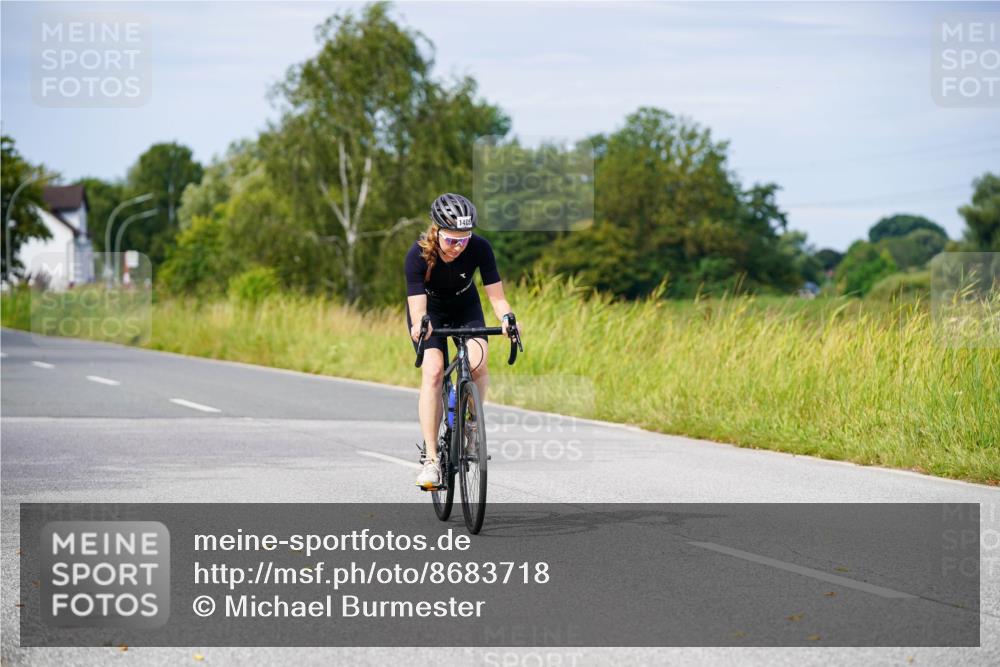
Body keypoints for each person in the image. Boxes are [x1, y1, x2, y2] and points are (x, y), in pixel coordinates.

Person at [405, 193, 521, 489]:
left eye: (464, 239)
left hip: (465, 307)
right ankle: (431, 460)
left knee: (478, 364)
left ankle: (471, 427)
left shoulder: (480, 248)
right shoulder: (418, 255)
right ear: (437, 232)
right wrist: (420, 325)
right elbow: (417, 309)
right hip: (430, 312)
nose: (458, 246)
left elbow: (498, 299)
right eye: (451, 240)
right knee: (433, 371)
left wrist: (508, 319)